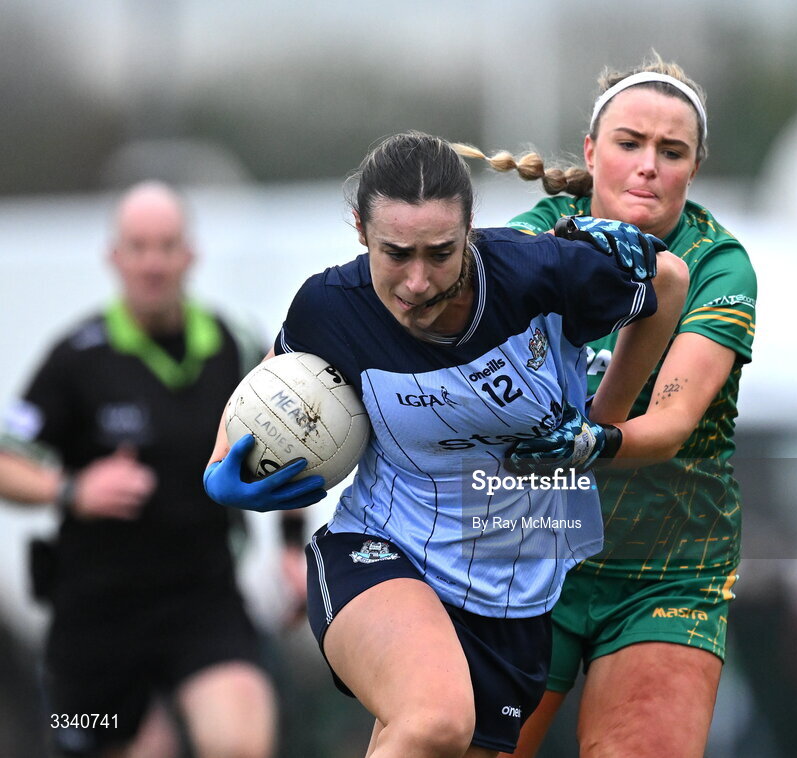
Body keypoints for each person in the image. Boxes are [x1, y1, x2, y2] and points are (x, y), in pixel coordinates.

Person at [202, 131, 690, 758]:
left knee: (428, 738)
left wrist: (600, 424)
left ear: (470, 231)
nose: (417, 281)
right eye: (395, 253)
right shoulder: (331, 306)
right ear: (360, 231)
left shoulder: (535, 275)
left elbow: (667, 283)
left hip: (514, 593)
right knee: (434, 719)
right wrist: (221, 469)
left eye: (440, 253)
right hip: (382, 550)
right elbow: (267, 394)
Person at [458, 52, 757, 758]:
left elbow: (674, 420)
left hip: (667, 571)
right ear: (593, 154)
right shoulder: (537, 235)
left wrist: (593, 441)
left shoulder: (719, 264)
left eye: (671, 151)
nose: (649, 165)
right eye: (630, 143)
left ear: (694, 168)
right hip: (529, 555)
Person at [0, 181, 277, 758]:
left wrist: (296, 547)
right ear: (114, 257)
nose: (153, 263)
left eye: (167, 245)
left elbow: (293, 440)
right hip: (95, 618)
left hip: (203, 599)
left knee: (240, 743)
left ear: (190, 254)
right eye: (138, 246)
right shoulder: (76, 359)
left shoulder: (235, 345)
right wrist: (70, 488)